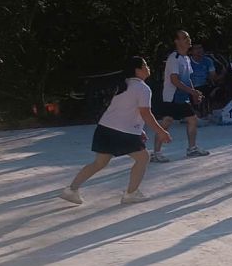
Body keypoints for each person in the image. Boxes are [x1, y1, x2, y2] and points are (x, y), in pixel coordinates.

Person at [57, 57, 173, 205]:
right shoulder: (143, 88)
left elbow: (126, 111)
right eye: (145, 65)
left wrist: (139, 130)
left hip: (104, 128)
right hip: (122, 132)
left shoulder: (123, 84)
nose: (148, 67)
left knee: (99, 163)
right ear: (137, 70)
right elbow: (145, 113)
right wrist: (161, 132)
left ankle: (71, 190)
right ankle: (131, 194)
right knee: (143, 158)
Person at [151, 30, 208, 163]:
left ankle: (192, 148)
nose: (188, 40)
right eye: (184, 38)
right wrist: (192, 92)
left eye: (188, 37)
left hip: (183, 97)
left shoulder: (186, 58)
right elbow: (175, 81)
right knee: (167, 122)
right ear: (176, 41)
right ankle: (156, 153)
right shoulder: (174, 58)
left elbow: (188, 78)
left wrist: (194, 93)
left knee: (192, 119)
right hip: (172, 97)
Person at [187, 43, 224, 118]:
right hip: (190, 87)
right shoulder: (187, 62)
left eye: (200, 48)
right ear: (191, 51)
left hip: (205, 85)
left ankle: (211, 112)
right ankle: (193, 112)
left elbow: (213, 77)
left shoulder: (208, 61)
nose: (199, 50)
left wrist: (223, 74)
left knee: (218, 91)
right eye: (196, 48)